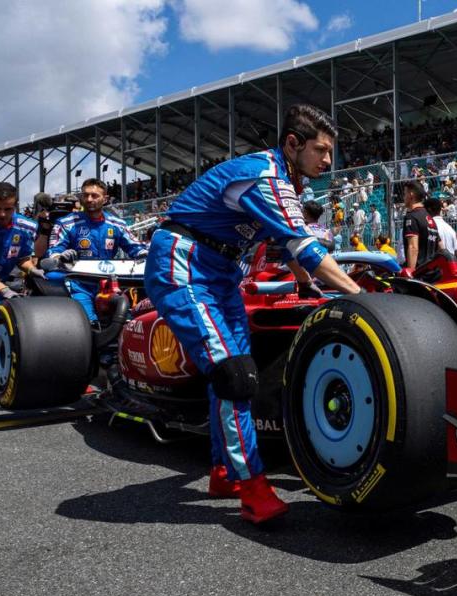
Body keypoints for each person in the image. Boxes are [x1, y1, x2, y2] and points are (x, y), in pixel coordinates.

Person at [145, 103, 361, 524]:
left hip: (222, 272)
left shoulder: (287, 182)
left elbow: (287, 244)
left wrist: (304, 283)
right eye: (321, 150)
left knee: (230, 376)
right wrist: (360, 295)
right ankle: (253, 490)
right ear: (293, 144)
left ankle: (225, 471)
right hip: (183, 265)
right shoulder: (265, 177)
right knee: (234, 375)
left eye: (331, 152)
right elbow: (306, 247)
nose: (329, 161)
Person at [45, 179, 148, 325]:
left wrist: (144, 254)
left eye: (94, 196)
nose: (89, 199)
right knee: (87, 324)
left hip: (110, 284)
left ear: (105, 199)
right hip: (79, 284)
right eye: (85, 195)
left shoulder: (117, 224)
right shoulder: (65, 223)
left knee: (124, 322)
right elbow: (53, 252)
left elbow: (136, 248)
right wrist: (60, 256)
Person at [0, 183, 41, 419]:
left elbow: (23, 258)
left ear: (15, 204)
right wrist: (4, 290)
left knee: (5, 343)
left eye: (7, 208)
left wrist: (32, 270)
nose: (2, 214)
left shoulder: (26, 226)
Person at [401, 181, 440, 270]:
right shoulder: (430, 219)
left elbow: (413, 247)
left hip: (420, 274)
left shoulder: (411, 216)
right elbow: (441, 246)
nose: (403, 198)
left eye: (405, 194)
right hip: (432, 273)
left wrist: (410, 273)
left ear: (411, 195)